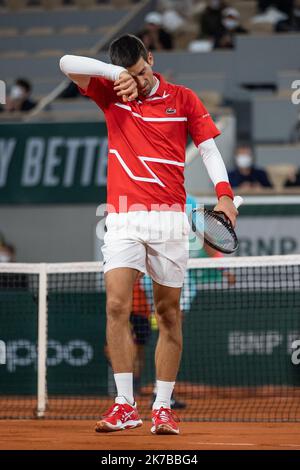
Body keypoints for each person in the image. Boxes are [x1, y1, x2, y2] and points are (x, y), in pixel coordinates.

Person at [59, 34, 237, 435]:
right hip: (123, 219)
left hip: (168, 221)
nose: (138, 82)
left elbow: (208, 149)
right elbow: (66, 61)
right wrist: (113, 74)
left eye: (142, 72)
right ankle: (125, 404)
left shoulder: (184, 98)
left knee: (168, 314)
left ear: (151, 59)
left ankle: (161, 406)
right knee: (116, 306)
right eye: (131, 75)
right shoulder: (112, 94)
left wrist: (224, 196)